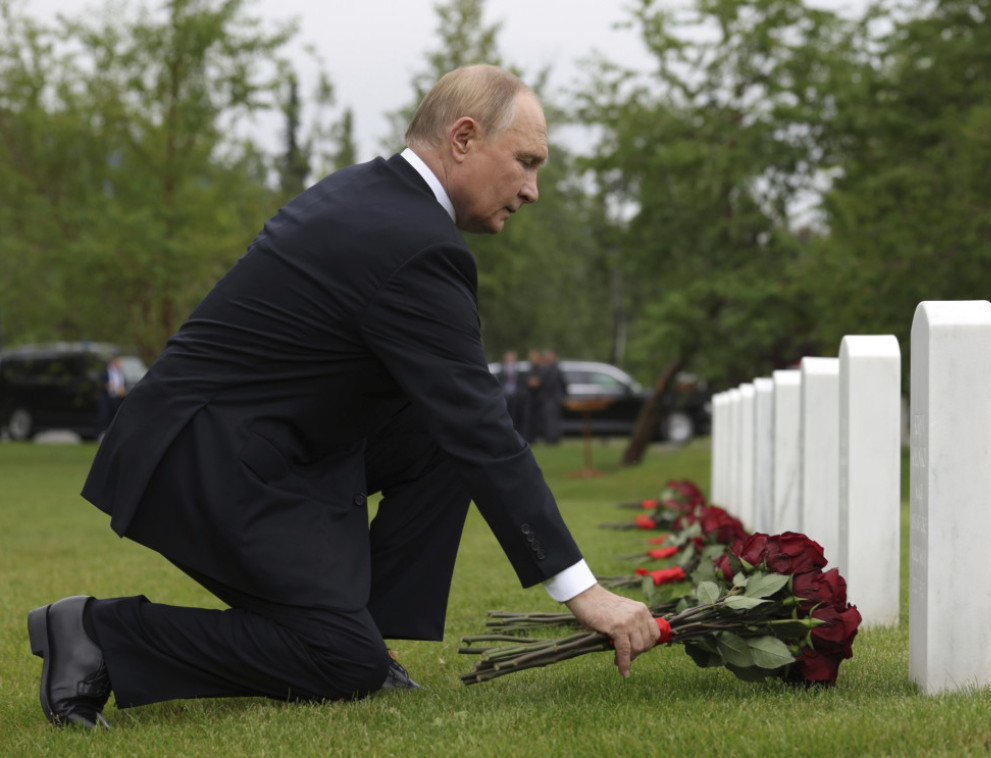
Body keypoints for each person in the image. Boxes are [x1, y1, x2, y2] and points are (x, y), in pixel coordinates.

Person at [26, 64, 660, 730]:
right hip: (204, 459)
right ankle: (96, 635)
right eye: (526, 162)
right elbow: (483, 428)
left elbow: (458, 419)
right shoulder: (413, 242)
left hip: (251, 441)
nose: (532, 190)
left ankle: (369, 638)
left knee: (441, 440)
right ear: (465, 138)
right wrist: (582, 590)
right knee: (336, 659)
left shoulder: (373, 196)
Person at [539, 348, 566, 444]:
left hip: (551, 398)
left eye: (549, 355)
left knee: (551, 420)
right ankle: (554, 438)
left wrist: (544, 393)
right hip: (555, 398)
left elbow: (550, 383)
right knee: (552, 419)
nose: (547, 357)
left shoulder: (552, 369)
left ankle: (551, 439)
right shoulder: (556, 368)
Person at [95, 357, 126, 436]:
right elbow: (100, 383)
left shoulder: (121, 373)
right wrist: (107, 386)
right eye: (119, 362)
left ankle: (112, 435)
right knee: (103, 417)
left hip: (118, 399)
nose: (121, 364)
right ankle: (97, 435)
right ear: (114, 362)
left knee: (115, 418)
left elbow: (123, 384)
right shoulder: (104, 372)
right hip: (107, 398)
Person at [498, 349, 525, 430]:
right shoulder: (502, 370)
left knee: (516, 416)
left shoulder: (518, 370)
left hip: (516, 396)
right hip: (505, 396)